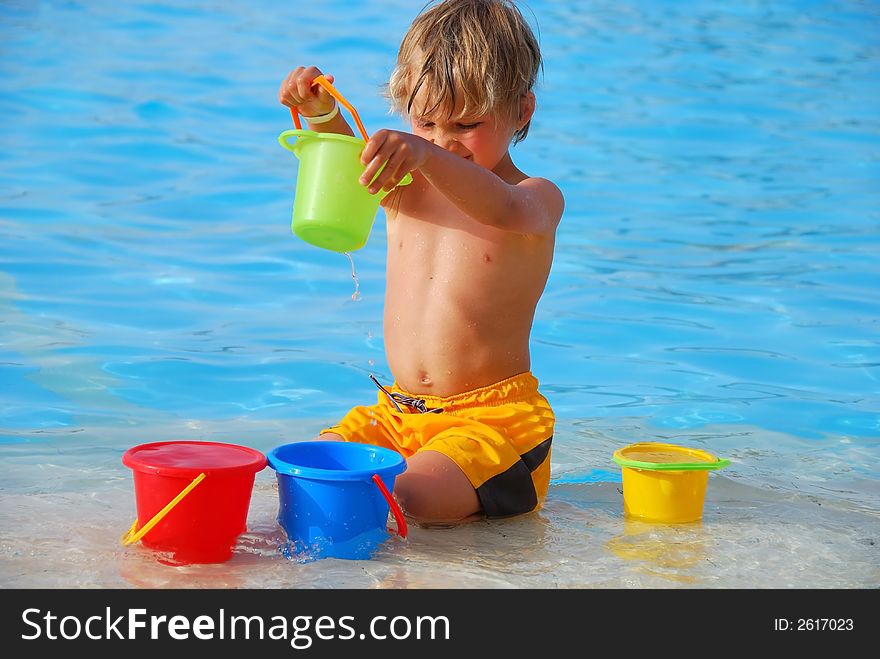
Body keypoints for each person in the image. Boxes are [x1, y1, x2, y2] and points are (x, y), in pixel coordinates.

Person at [278, 0, 564, 525]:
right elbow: (348, 163)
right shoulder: (403, 188)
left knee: (408, 501)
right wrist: (322, 114)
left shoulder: (533, 197)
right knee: (311, 474)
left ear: (522, 111)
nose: (443, 140)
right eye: (425, 122)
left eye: (466, 123)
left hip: (493, 424)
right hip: (400, 413)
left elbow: (499, 207)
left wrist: (427, 155)